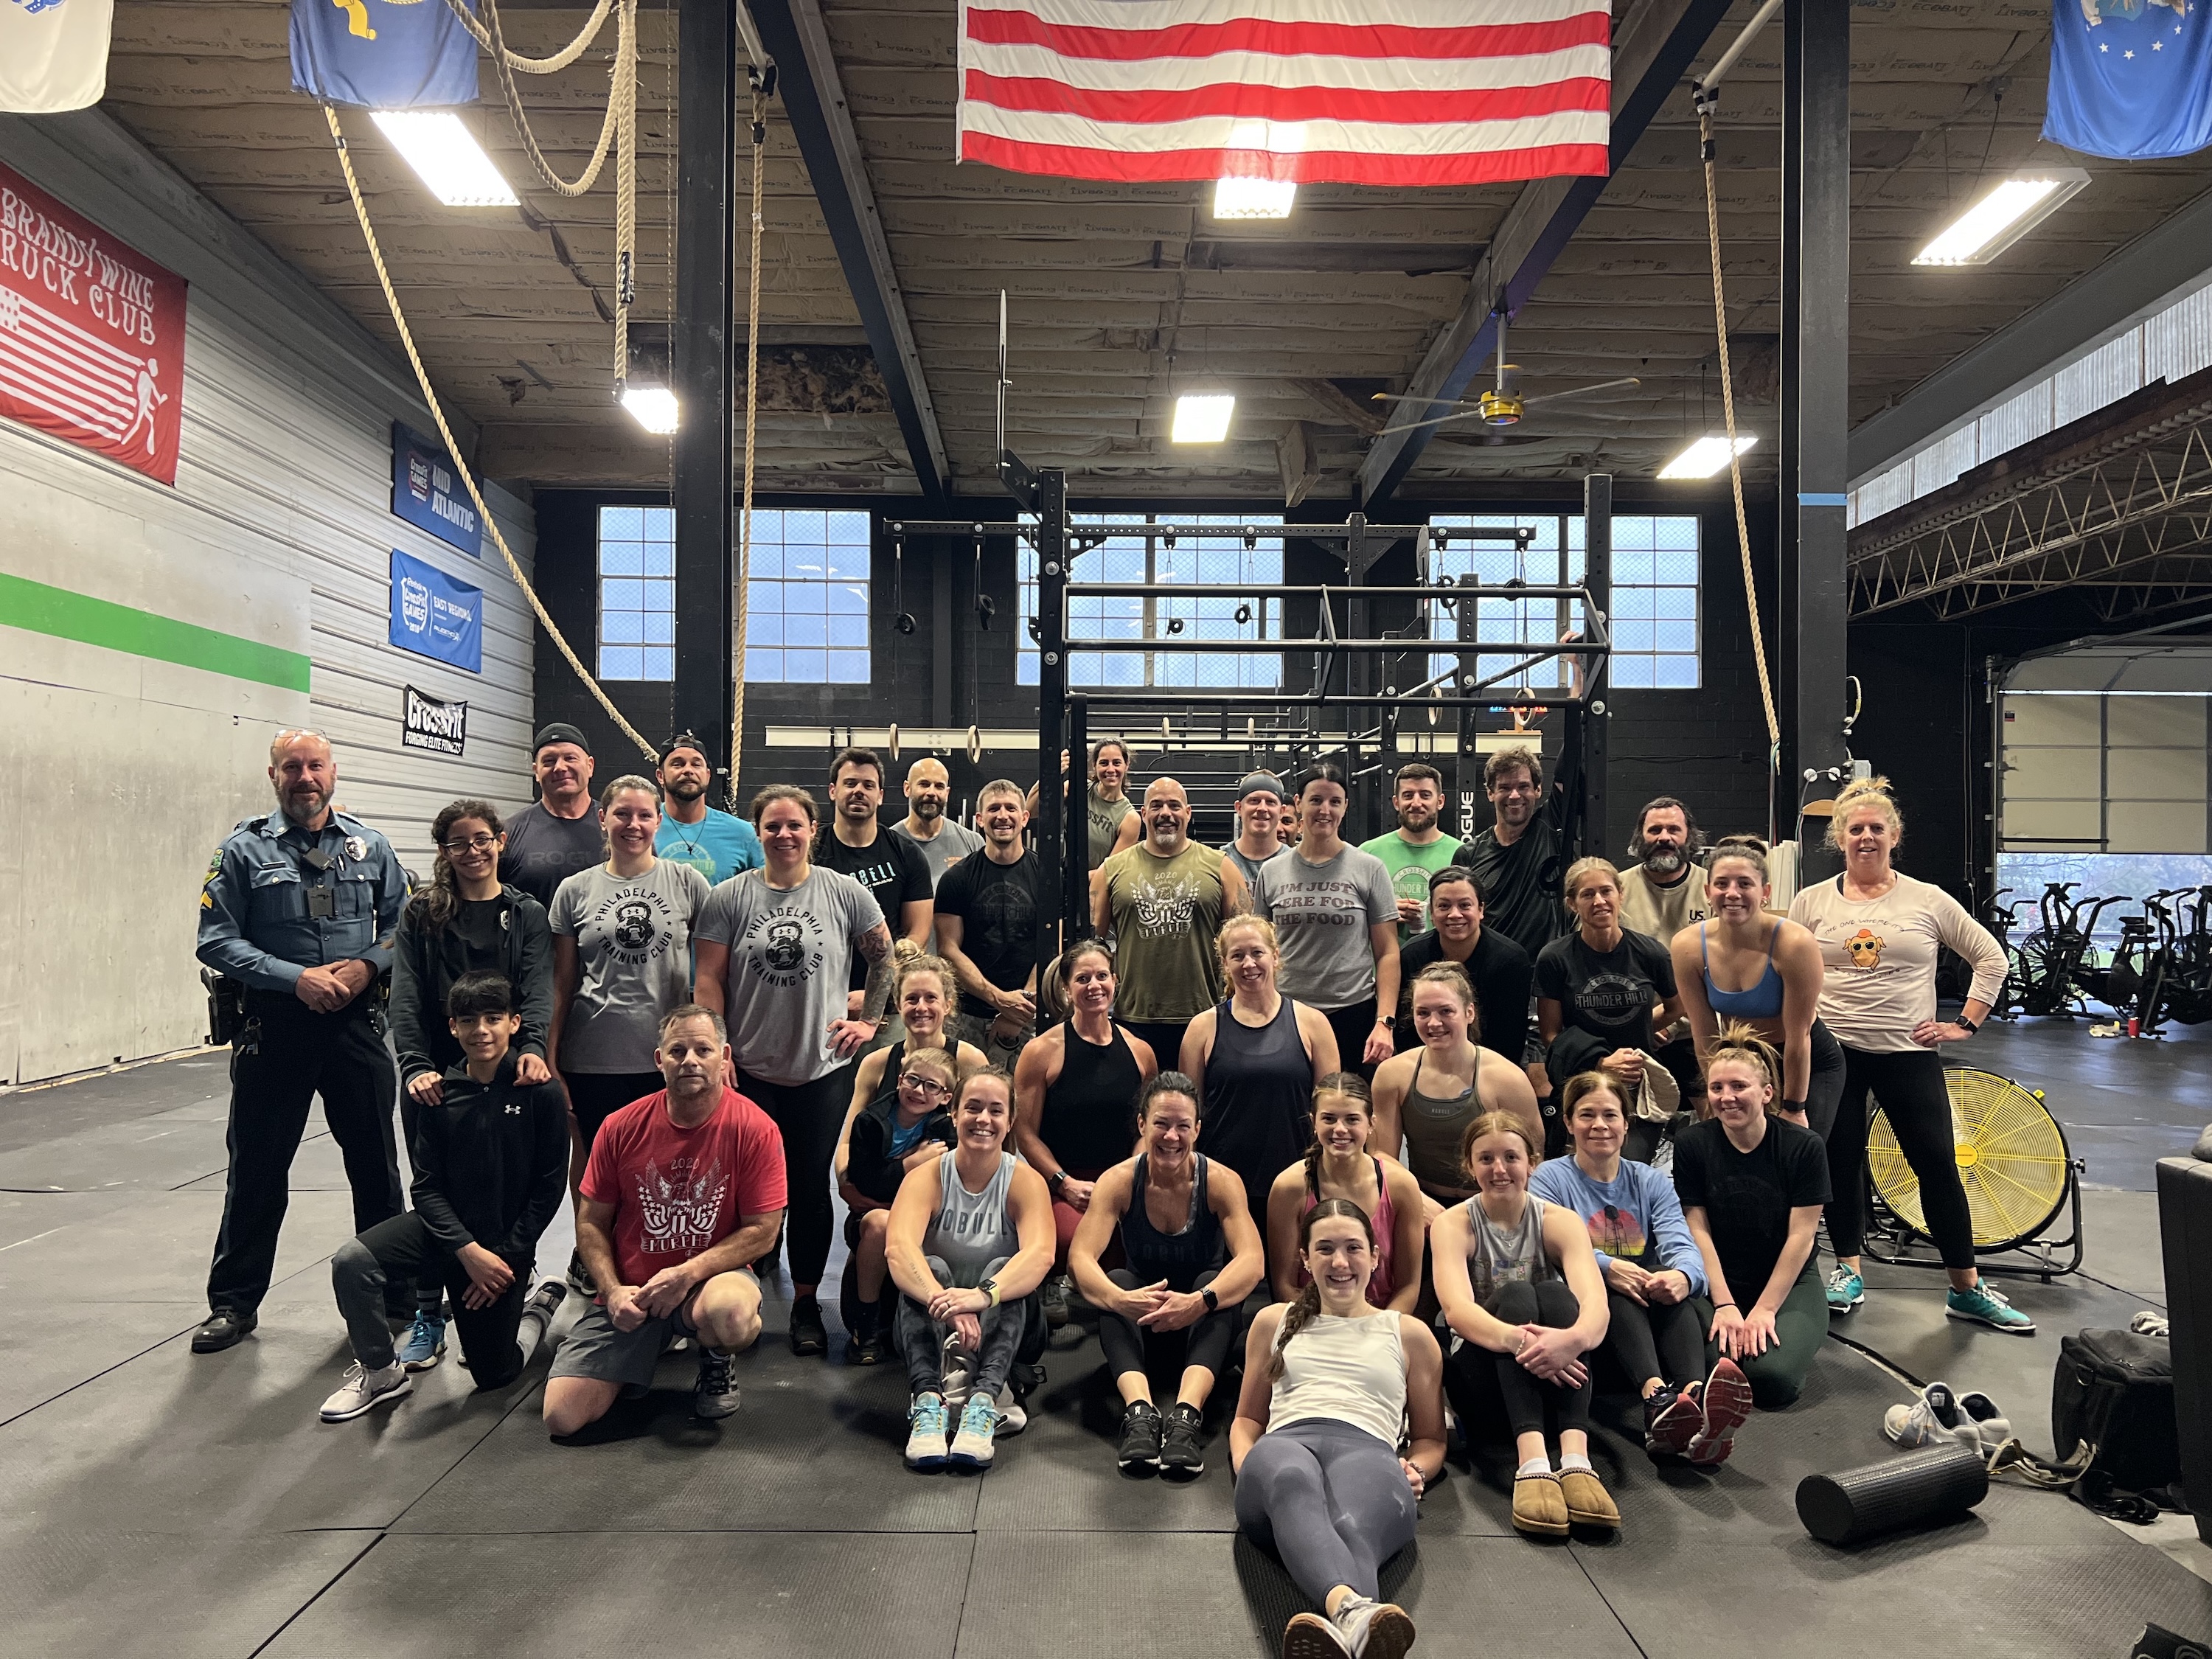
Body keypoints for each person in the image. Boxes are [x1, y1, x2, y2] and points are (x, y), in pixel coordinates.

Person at [192, 728, 409, 1354]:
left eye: (315, 766)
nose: (305, 778)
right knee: (258, 1169)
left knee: (375, 1167)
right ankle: (233, 1304)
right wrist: (295, 979)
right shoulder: (241, 851)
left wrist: (368, 965)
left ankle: (393, 1293)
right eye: (292, 767)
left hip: (357, 1026)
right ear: (274, 777)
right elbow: (216, 938)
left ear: (333, 772)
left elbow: (404, 923)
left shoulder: (372, 846)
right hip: (274, 1025)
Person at [1787, 776, 2022, 1329]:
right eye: (1855, 829)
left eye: (1876, 828)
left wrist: (1964, 1023)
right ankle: (1848, 1269)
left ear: (1894, 836)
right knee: (1838, 1163)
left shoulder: (1926, 898)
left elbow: (1991, 958)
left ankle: (1965, 1285)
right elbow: (1784, 969)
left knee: (1937, 1164)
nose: (1866, 837)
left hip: (1907, 1052)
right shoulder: (1811, 902)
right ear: (1840, 838)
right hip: (1834, 1053)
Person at [694, 783, 896, 1357]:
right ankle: (747, 1290)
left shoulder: (844, 892)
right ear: (758, 834)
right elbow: (708, 979)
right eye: (772, 826)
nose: (784, 835)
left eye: (794, 825)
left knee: (808, 1190)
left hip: (821, 1071)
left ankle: (806, 1302)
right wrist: (719, 1048)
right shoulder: (729, 898)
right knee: (750, 1192)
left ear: (813, 830)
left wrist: (871, 1022)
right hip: (749, 1070)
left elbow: (884, 957)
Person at [319, 973, 568, 1421]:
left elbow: (549, 1186)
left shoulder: (540, 1092)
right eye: (469, 1020)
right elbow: (426, 1187)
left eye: (494, 1018)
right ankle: (380, 1374)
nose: (481, 1031)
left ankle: (538, 1311)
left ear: (515, 1023)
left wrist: (506, 1257)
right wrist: (465, 1250)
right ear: (453, 1027)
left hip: (501, 1248)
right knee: (351, 1263)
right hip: (446, 1236)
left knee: (494, 1373)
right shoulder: (434, 1095)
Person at [543, 1005, 787, 1433]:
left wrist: (685, 1274)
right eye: (677, 1051)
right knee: (563, 1418)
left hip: (706, 1284)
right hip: (634, 1291)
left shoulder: (755, 1128)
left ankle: (714, 1358)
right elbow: (591, 1223)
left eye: (703, 1049)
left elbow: (763, 1233)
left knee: (731, 1314)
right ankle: (647, 1343)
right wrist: (614, 1290)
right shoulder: (619, 1126)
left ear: (724, 1058)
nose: (689, 1060)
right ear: (660, 1060)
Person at [1230, 1200, 1445, 1659]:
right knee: (1289, 1477)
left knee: (1352, 1527)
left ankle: (1350, 1614)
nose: (1340, 1262)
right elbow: (1248, 1420)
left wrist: (1419, 1470)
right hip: (1285, 1448)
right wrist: (1252, 1466)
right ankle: (1357, 1611)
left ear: (1375, 1255)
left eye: (1353, 1248)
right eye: (1325, 1249)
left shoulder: (1409, 1334)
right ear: (1305, 1259)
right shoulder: (1273, 1321)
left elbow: (1430, 1439)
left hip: (1367, 1450)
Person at [388, 798, 556, 1366]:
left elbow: (537, 984)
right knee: (438, 1190)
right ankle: (429, 1313)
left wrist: (531, 1048)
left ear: (500, 842)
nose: (473, 851)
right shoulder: (422, 913)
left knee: (508, 1184)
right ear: (444, 851)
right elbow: (406, 993)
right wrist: (414, 1066)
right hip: (438, 1078)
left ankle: (513, 1278)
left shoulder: (526, 912)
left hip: (504, 1073)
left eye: (482, 839)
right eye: (459, 842)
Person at [1529, 1074, 1750, 1464]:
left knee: (1666, 1279)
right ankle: (1656, 1401)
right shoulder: (1550, 1178)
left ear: (1626, 1124)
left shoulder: (1650, 1180)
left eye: (1610, 1115)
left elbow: (1681, 1242)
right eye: (1587, 1115)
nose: (1600, 1125)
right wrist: (1607, 1265)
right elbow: (1547, 1247)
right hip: (1591, 1315)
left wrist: (1683, 1277)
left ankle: (1695, 1399)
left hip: (1651, 1313)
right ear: (1568, 1123)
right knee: (1614, 1286)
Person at [549, 776, 712, 1279]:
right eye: (622, 814)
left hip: (664, 1059)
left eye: (644, 815)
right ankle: (592, 1258)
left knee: (664, 1167)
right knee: (597, 1165)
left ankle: (659, 1256)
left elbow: (711, 973)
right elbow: (561, 983)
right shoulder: (574, 891)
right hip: (593, 1055)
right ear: (603, 818)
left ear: (659, 821)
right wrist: (552, 1056)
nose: (633, 825)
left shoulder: (688, 884)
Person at [1430, 1112, 1619, 1538]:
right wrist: (1524, 1343)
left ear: (1532, 1162)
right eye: (1486, 1159)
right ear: (1470, 1165)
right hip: (1483, 1384)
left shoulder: (1560, 1221)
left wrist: (1571, 1341)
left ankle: (1575, 1460)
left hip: (1551, 1377)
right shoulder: (1452, 1223)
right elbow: (1458, 1311)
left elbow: (1596, 1306)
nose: (1499, 1169)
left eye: (1511, 1157)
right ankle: (1532, 1462)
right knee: (1517, 1294)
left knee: (1556, 1296)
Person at [1069, 1072, 1266, 1474]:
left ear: (1197, 1129)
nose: (1171, 1137)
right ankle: (1139, 1413)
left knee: (1216, 1285)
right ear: (1142, 1125)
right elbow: (1080, 1259)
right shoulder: (1120, 1180)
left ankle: (1185, 1418)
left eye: (1182, 1126)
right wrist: (1119, 1299)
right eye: (1161, 1124)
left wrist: (1199, 1303)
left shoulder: (1222, 1183)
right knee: (1118, 1282)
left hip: (1204, 1336)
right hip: (1144, 1328)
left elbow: (1252, 1262)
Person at [887, 1068, 1054, 1470]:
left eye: (996, 1111)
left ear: (1010, 1121)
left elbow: (1041, 1256)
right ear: (955, 1114)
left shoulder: (1024, 1181)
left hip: (1007, 1325)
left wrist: (982, 1296)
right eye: (973, 1108)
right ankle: (927, 1404)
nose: (984, 1119)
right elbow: (898, 1250)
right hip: (935, 1322)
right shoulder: (926, 1177)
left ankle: (983, 1404)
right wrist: (946, 1302)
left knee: (1005, 1267)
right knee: (929, 1267)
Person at [1671, 1026, 1831, 1410]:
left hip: (1788, 1281)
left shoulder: (1803, 1147)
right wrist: (1725, 1304)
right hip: (1718, 1279)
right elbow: (1698, 1230)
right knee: (1710, 1369)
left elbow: (1802, 1237)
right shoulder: (1692, 1143)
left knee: (1772, 1381)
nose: (1726, 1098)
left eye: (1739, 1086)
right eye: (1717, 1088)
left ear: (1767, 1093)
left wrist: (1765, 1310)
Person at [1014, 942, 1160, 1312]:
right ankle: (1051, 1280)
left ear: (1115, 981)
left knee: (1142, 1250)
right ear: (1066, 989)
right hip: (1067, 1184)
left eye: (1101, 976)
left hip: (1124, 1182)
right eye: (1082, 979)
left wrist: (1130, 1177)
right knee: (1069, 1241)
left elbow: (1148, 1128)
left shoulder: (1141, 1051)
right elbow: (1025, 1132)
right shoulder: (1041, 1051)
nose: (1094, 985)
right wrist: (1063, 1183)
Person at [1671, 836, 1842, 1136]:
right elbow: (1704, 1032)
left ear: (1765, 892)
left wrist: (1794, 1107)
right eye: (1722, 884)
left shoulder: (1794, 944)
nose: (1732, 893)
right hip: (1742, 1057)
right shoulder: (1687, 946)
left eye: (1744, 884)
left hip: (1805, 1058)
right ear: (1707, 891)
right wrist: (1718, 1091)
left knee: (1798, 1150)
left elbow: (1798, 1036)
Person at [1180, 916, 1340, 1225]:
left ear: (1276, 956)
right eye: (1237, 956)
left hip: (1295, 1181)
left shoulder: (1313, 1024)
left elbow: (1330, 1111)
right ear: (1225, 965)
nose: (1248, 963)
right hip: (1224, 1188)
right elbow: (1190, 1117)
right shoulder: (1202, 1028)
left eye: (1257, 953)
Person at [1251, 764, 1401, 1077]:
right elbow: (1260, 950)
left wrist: (1384, 1022)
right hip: (1288, 1013)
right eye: (1316, 800)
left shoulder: (1369, 868)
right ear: (1298, 803)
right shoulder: (1272, 872)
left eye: (1335, 802)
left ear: (1345, 806)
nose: (1325, 810)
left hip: (1353, 1014)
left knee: (1348, 1114)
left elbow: (1387, 952)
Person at [1095, 776, 1251, 1068]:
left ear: (1188, 813)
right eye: (1156, 806)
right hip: (1132, 1018)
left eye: (1174, 806)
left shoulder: (1221, 866)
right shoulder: (1113, 869)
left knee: (1196, 1108)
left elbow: (1246, 945)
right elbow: (1091, 947)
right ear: (1143, 814)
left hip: (1203, 1017)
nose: (1165, 813)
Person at [1534, 858, 1683, 1148]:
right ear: (1573, 903)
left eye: (1606, 891)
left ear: (1620, 894)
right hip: (1581, 1081)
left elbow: (1678, 1007)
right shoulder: (1554, 958)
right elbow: (1551, 1035)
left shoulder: (1651, 953)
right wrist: (1600, 1062)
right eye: (1587, 894)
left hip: (1634, 1086)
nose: (1599, 901)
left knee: (1629, 1166)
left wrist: (1641, 1029)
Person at [1372, 963, 1543, 1208]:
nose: (1433, 1023)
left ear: (1469, 1012)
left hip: (1493, 1204)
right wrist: (1419, 1205)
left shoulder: (1507, 1079)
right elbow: (1382, 1157)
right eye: (1423, 1013)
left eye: (1445, 1011)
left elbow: (1532, 1162)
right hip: (1421, 1203)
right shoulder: (1392, 1075)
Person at [835, 1044, 958, 1365]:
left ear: (946, 1097)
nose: (919, 1091)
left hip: (923, 1215)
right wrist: (911, 1163)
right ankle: (867, 1324)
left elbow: (948, 1181)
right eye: (914, 1081)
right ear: (900, 1079)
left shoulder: (946, 1127)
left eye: (932, 1086)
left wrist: (900, 1175)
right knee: (880, 1224)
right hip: (872, 1213)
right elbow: (865, 1181)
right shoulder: (869, 1122)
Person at [1265, 1075, 1425, 1315]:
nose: (1340, 1129)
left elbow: (1408, 1287)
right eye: (1329, 1119)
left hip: (1381, 1321)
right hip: (1311, 1320)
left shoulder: (1401, 1186)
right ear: (1314, 1123)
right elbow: (1284, 1286)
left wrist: (1379, 1328)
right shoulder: (1289, 1187)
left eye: (1352, 1119)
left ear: (1371, 1124)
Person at [815, 747, 936, 1037]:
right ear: (833, 791)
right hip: (820, 1003)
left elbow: (916, 935)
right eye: (850, 783)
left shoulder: (906, 854)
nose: (859, 791)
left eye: (868, 785)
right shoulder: (812, 852)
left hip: (887, 1009)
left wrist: (873, 993)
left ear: (880, 795)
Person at [933, 779, 1043, 1064]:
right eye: (994, 809)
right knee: (963, 1100)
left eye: (1010, 808)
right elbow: (948, 949)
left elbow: (1052, 944)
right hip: (968, 1016)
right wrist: (999, 1000)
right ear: (980, 819)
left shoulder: (1047, 876)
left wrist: (1022, 1005)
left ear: (1024, 817)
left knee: (1020, 1103)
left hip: (1028, 1016)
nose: (1002, 816)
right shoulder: (956, 878)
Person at [1462, 727, 1582, 967]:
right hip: (1492, 974)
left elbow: (1567, 768)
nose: (1515, 795)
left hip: (1546, 978)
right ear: (1490, 793)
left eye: (1524, 786)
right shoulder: (1470, 854)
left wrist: (1578, 703)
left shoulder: (1551, 825)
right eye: (1505, 787)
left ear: (1538, 790)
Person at [1391, 866, 1532, 1062]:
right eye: (1444, 906)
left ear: (1481, 909)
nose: (1455, 914)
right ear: (1431, 912)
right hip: (1424, 1062)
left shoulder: (1511, 960)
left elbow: (1510, 1038)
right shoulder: (1411, 956)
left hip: (1491, 1065)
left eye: (1465, 905)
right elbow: (1405, 1031)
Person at [499, 723, 604, 908]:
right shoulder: (509, 833)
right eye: (549, 761)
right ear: (536, 772)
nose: (560, 767)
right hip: (537, 938)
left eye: (570, 758)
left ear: (590, 766)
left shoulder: (619, 826)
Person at [1360, 762, 1463, 943]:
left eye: (1425, 795)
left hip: (1442, 966)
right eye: (1408, 796)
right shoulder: (1368, 853)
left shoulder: (1462, 854)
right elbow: (1351, 916)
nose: (1416, 803)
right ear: (1396, 802)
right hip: (1382, 966)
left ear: (1440, 802)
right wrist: (1384, 912)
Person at [888, 758, 985, 936]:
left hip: (956, 961)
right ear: (907, 788)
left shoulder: (973, 843)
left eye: (939, 787)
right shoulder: (889, 844)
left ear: (947, 793)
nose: (931, 793)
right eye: (924, 784)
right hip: (906, 959)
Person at [653, 732, 764, 886]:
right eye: (677, 764)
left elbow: (768, 889)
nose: (688, 770)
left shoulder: (743, 833)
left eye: (696, 764)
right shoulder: (643, 828)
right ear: (660, 776)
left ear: (708, 775)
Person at [1616, 796, 1708, 942]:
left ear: (1689, 836)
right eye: (1655, 830)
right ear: (1641, 837)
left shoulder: (1712, 887)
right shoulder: (1617, 888)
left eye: (1673, 830)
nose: (1664, 837)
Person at [1222, 771, 1292, 891]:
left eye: (1270, 802)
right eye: (1254, 801)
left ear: (1281, 811)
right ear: (1239, 808)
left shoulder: (1295, 863)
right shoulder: (1220, 861)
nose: (1262, 808)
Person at [1086, 738, 1140, 869]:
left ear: (1126, 765)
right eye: (1104, 763)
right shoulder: (1076, 790)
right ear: (1094, 765)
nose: (1110, 769)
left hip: (1091, 885)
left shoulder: (1130, 819)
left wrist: (1071, 880)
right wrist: (1052, 773)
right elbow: (1032, 810)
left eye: (1116, 763)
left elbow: (1109, 870)